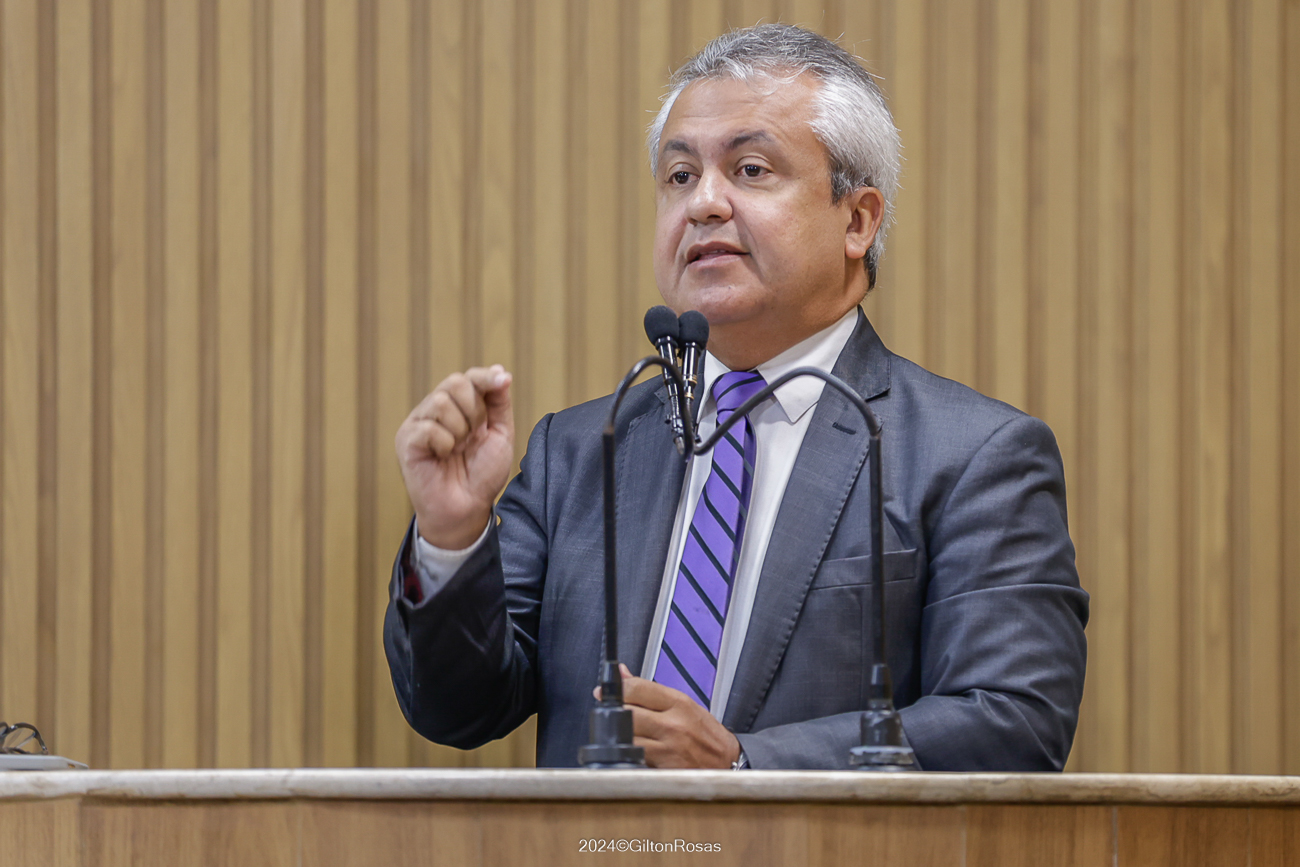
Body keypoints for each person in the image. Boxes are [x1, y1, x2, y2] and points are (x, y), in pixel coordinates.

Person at [385, 24, 1088, 770]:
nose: (703, 203)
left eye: (750, 170)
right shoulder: (580, 453)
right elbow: (456, 709)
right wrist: (452, 535)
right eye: (679, 176)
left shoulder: (971, 456)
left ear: (857, 220)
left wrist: (743, 767)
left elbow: (1014, 719)